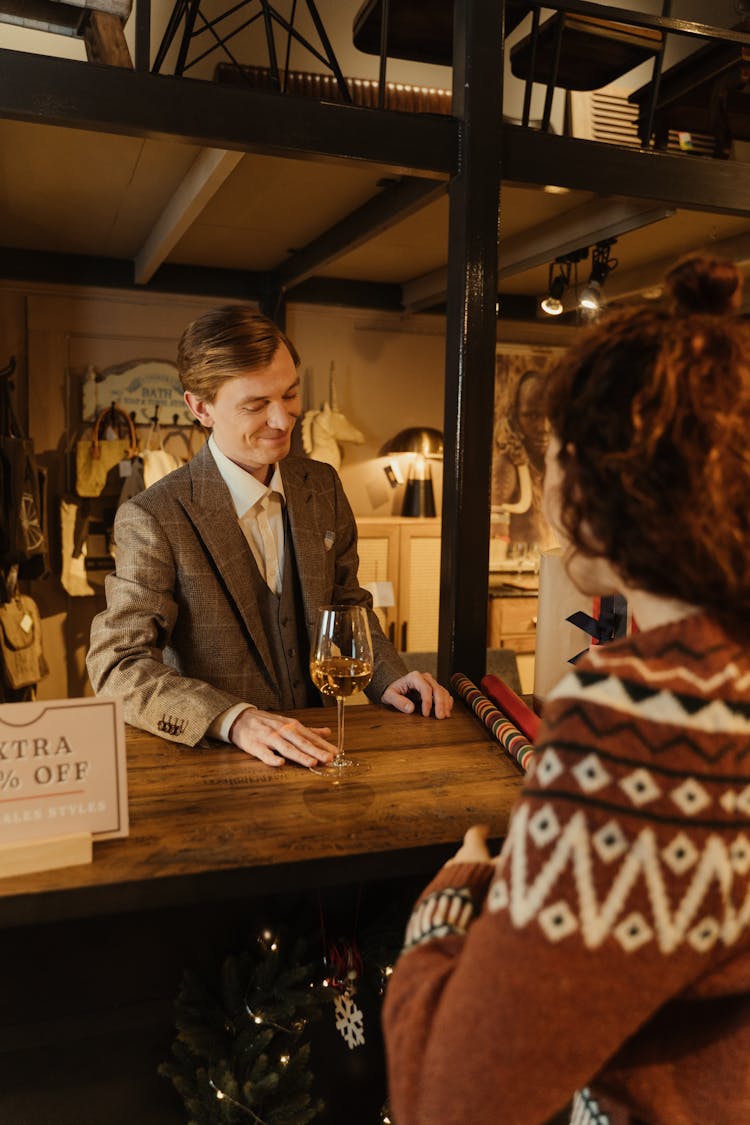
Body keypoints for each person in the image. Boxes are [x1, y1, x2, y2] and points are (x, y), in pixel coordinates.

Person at [382, 254, 750, 1124]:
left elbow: (452, 1099)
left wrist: (451, 900)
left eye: (551, 458)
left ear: (601, 481)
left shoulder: (635, 722)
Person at [87, 306, 452, 768]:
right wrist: (233, 719)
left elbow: (348, 604)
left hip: (326, 753)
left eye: (291, 394)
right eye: (256, 405)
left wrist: (387, 677)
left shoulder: (322, 486)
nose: (282, 421)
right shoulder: (153, 516)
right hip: (220, 770)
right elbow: (117, 664)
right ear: (200, 407)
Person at [492, 367, 556, 554]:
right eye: (533, 416)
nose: (543, 427)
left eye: (549, 415)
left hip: (551, 572)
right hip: (516, 574)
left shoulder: (559, 467)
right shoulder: (507, 467)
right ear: (515, 417)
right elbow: (494, 541)